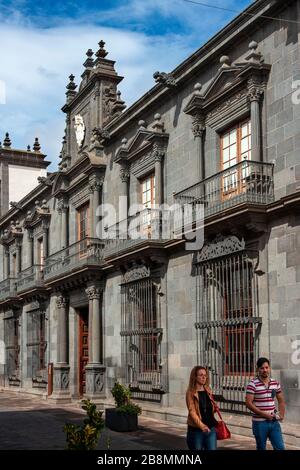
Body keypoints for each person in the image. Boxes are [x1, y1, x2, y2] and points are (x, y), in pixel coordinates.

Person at [245, 357, 285, 450]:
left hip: (274, 422)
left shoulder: (275, 383)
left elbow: (281, 400)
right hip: (259, 423)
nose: (265, 370)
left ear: (269, 368)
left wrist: (282, 414)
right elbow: (248, 403)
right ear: (258, 369)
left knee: (280, 448)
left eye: (266, 367)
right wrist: (264, 414)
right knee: (261, 448)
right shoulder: (252, 384)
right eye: (262, 368)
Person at [186, 366, 218, 450]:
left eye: (205, 375)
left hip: (210, 429)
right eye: (201, 375)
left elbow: (209, 410)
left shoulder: (208, 389)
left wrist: (214, 407)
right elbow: (192, 411)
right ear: (195, 377)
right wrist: (202, 426)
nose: (204, 377)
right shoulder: (190, 392)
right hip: (196, 430)